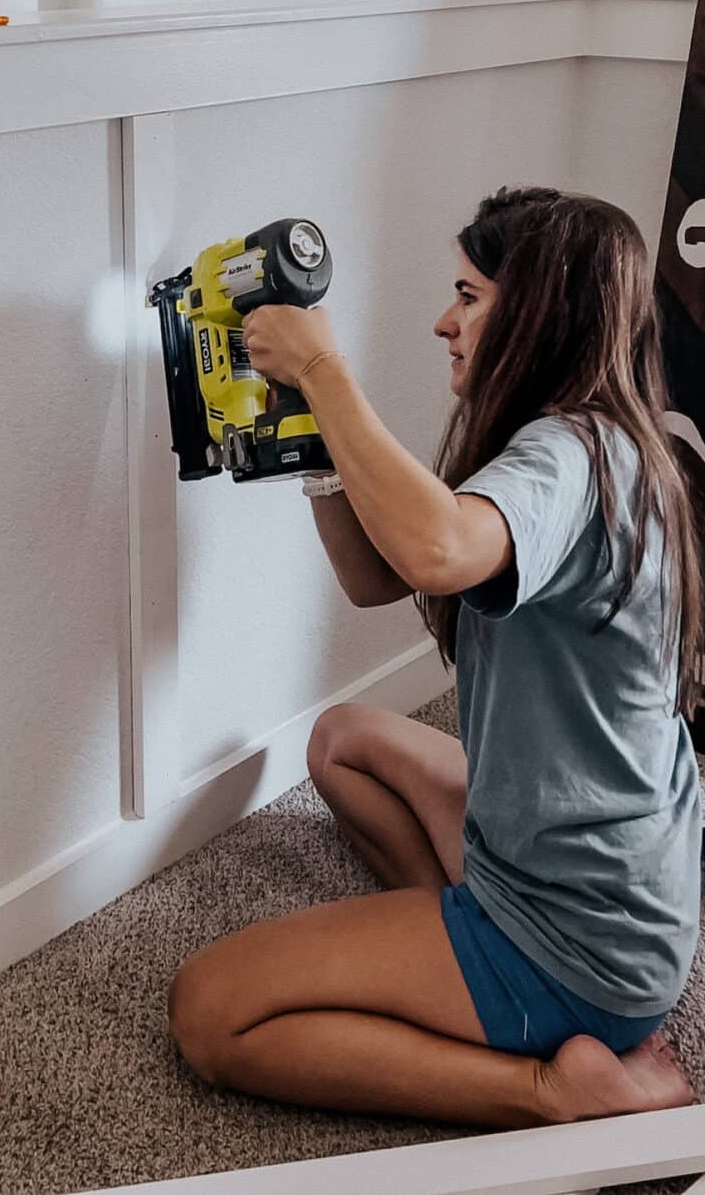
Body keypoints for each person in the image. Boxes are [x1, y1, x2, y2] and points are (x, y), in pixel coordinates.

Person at [167, 187, 703, 1128]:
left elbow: (436, 551)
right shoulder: (586, 436)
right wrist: (311, 433)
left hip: (583, 932)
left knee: (211, 1012)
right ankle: (473, 992)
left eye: (471, 296)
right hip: (602, 875)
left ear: (538, 314)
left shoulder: (573, 457)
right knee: (340, 742)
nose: (444, 322)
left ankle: (553, 1087)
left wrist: (327, 368)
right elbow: (380, 578)